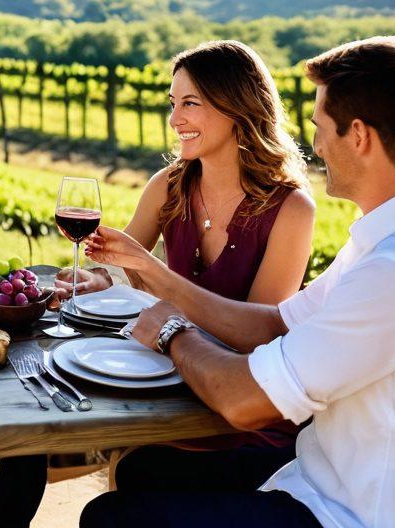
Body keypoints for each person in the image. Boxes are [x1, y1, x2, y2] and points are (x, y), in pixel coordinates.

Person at [81, 36, 395, 527]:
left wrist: (172, 332)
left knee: (111, 518)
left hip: (344, 515)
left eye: (320, 128)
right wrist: (160, 283)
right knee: (147, 470)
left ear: (358, 136)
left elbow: (244, 404)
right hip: (320, 479)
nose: (316, 147)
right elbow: (276, 323)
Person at [54, 41, 315, 480]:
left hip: (236, 413)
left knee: (131, 470)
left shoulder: (291, 210)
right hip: (161, 381)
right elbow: (121, 269)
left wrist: (150, 271)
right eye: (173, 104)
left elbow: (256, 338)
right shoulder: (169, 185)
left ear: (237, 106)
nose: (175, 120)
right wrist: (99, 278)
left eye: (190, 104)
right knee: (42, 428)